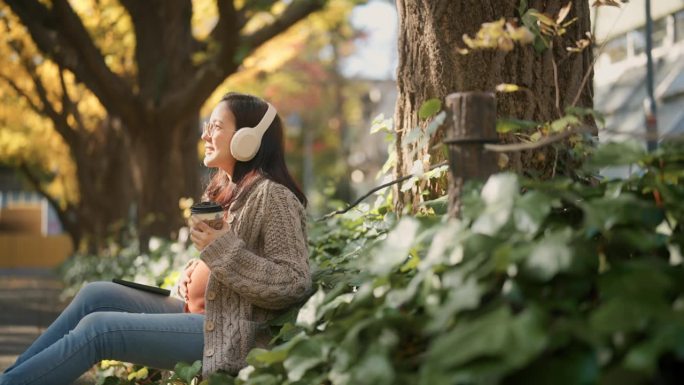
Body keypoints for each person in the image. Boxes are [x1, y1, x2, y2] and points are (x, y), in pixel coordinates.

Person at [0, 92, 312, 385]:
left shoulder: (274, 197)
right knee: (95, 295)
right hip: (198, 314)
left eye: (216, 127)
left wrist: (221, 251)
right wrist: (199, 269)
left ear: (248, 139)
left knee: (100, 330)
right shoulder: (232, 192)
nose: (205, 135)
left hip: (228, 335)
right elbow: (230, 262)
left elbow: (293, 282)